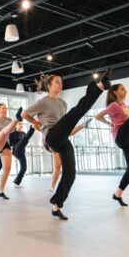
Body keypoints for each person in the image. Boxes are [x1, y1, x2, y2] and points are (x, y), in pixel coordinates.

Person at [22, 69, 112, 220]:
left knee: (71, 173)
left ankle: (56, 205)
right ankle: (99, 87)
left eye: (62, 82)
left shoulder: (63, 103)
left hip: (62, 137)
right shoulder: (43, 101)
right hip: (51, 135)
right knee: (77, 112)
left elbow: (66, 124)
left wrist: (77, 127)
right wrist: (36, 123)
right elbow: (25, 114)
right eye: (57, 82)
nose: (60, 84)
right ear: (49, 85)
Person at [48, 118, 92, 193]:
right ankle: (52, 186)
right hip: (50, 140)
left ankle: (52, 186)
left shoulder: (58, 123)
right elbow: (36, 125)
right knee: (57, 167)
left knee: (58, 167)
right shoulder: (48, 121)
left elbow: (70, 132)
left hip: (55, 140)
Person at [8, 122, 35, 188]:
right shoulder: (11, 134)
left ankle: (17, 182)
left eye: (22, 124)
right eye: (19, 124)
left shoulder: (23, 133)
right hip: (16, 149)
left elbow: (25, 142)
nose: (21, 125)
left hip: (22, 151)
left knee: (24, 168)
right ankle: (32, 128)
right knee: (25, 138)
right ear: (16, 125)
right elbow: (10, 143)